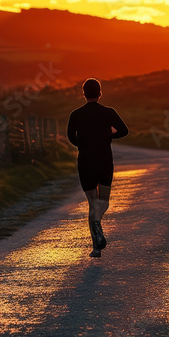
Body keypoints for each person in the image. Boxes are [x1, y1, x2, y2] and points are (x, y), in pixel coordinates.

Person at [67, 78, 129, 257]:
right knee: (103, 202)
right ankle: (97, 226)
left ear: (83, 93)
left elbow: (71, 137)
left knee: (92, 203)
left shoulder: (75, 114)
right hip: (104, 160)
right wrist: (107, 136)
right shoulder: (109, 112)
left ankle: (96, 246)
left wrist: (84, 144)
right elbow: (124, 131)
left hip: (86, 161)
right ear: (100, 93)